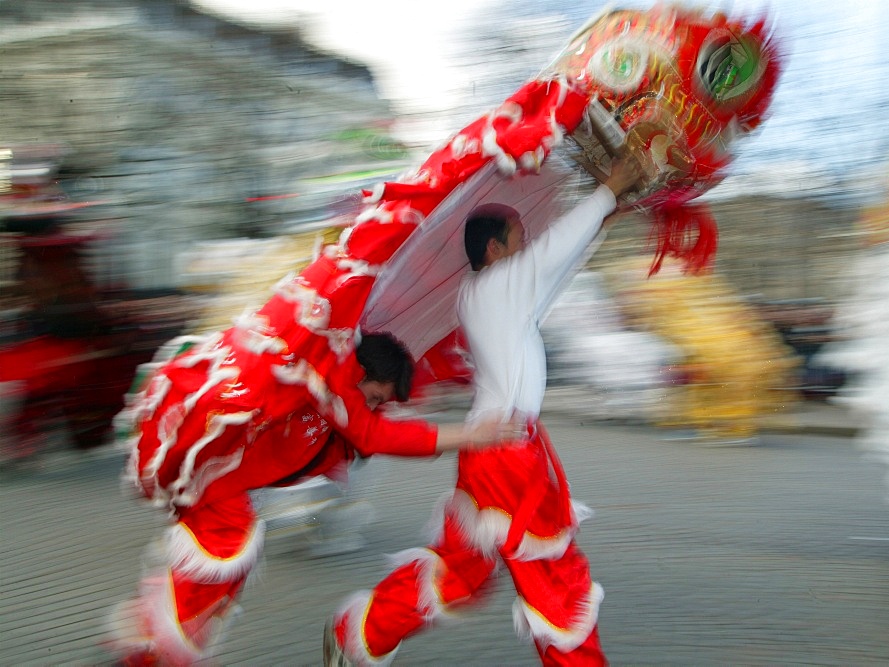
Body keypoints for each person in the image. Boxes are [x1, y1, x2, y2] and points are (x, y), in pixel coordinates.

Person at [325, 156, 642, 666]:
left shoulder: (486, 292)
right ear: (495, 250)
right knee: (554, 577)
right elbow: (552, 256)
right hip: (508, 451)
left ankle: (364, 629)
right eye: (520, 238)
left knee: (463, 572)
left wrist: (602, 219)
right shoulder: (499, 286)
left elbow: (552, 273)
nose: (528, 245)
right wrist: (608, 190)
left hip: (493, 448)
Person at [107, 316, 516, 665]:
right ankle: (150, 645)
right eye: (373, 397)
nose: (373, 408)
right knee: (224, 554)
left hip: (224, 485)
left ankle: (147, 642)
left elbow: (371, 432)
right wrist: (470, 435)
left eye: (380, 403)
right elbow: (376, 436)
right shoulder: (325, 385)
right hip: (212, 479)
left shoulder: (341, 413)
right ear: (357, 375)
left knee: (224, 580)